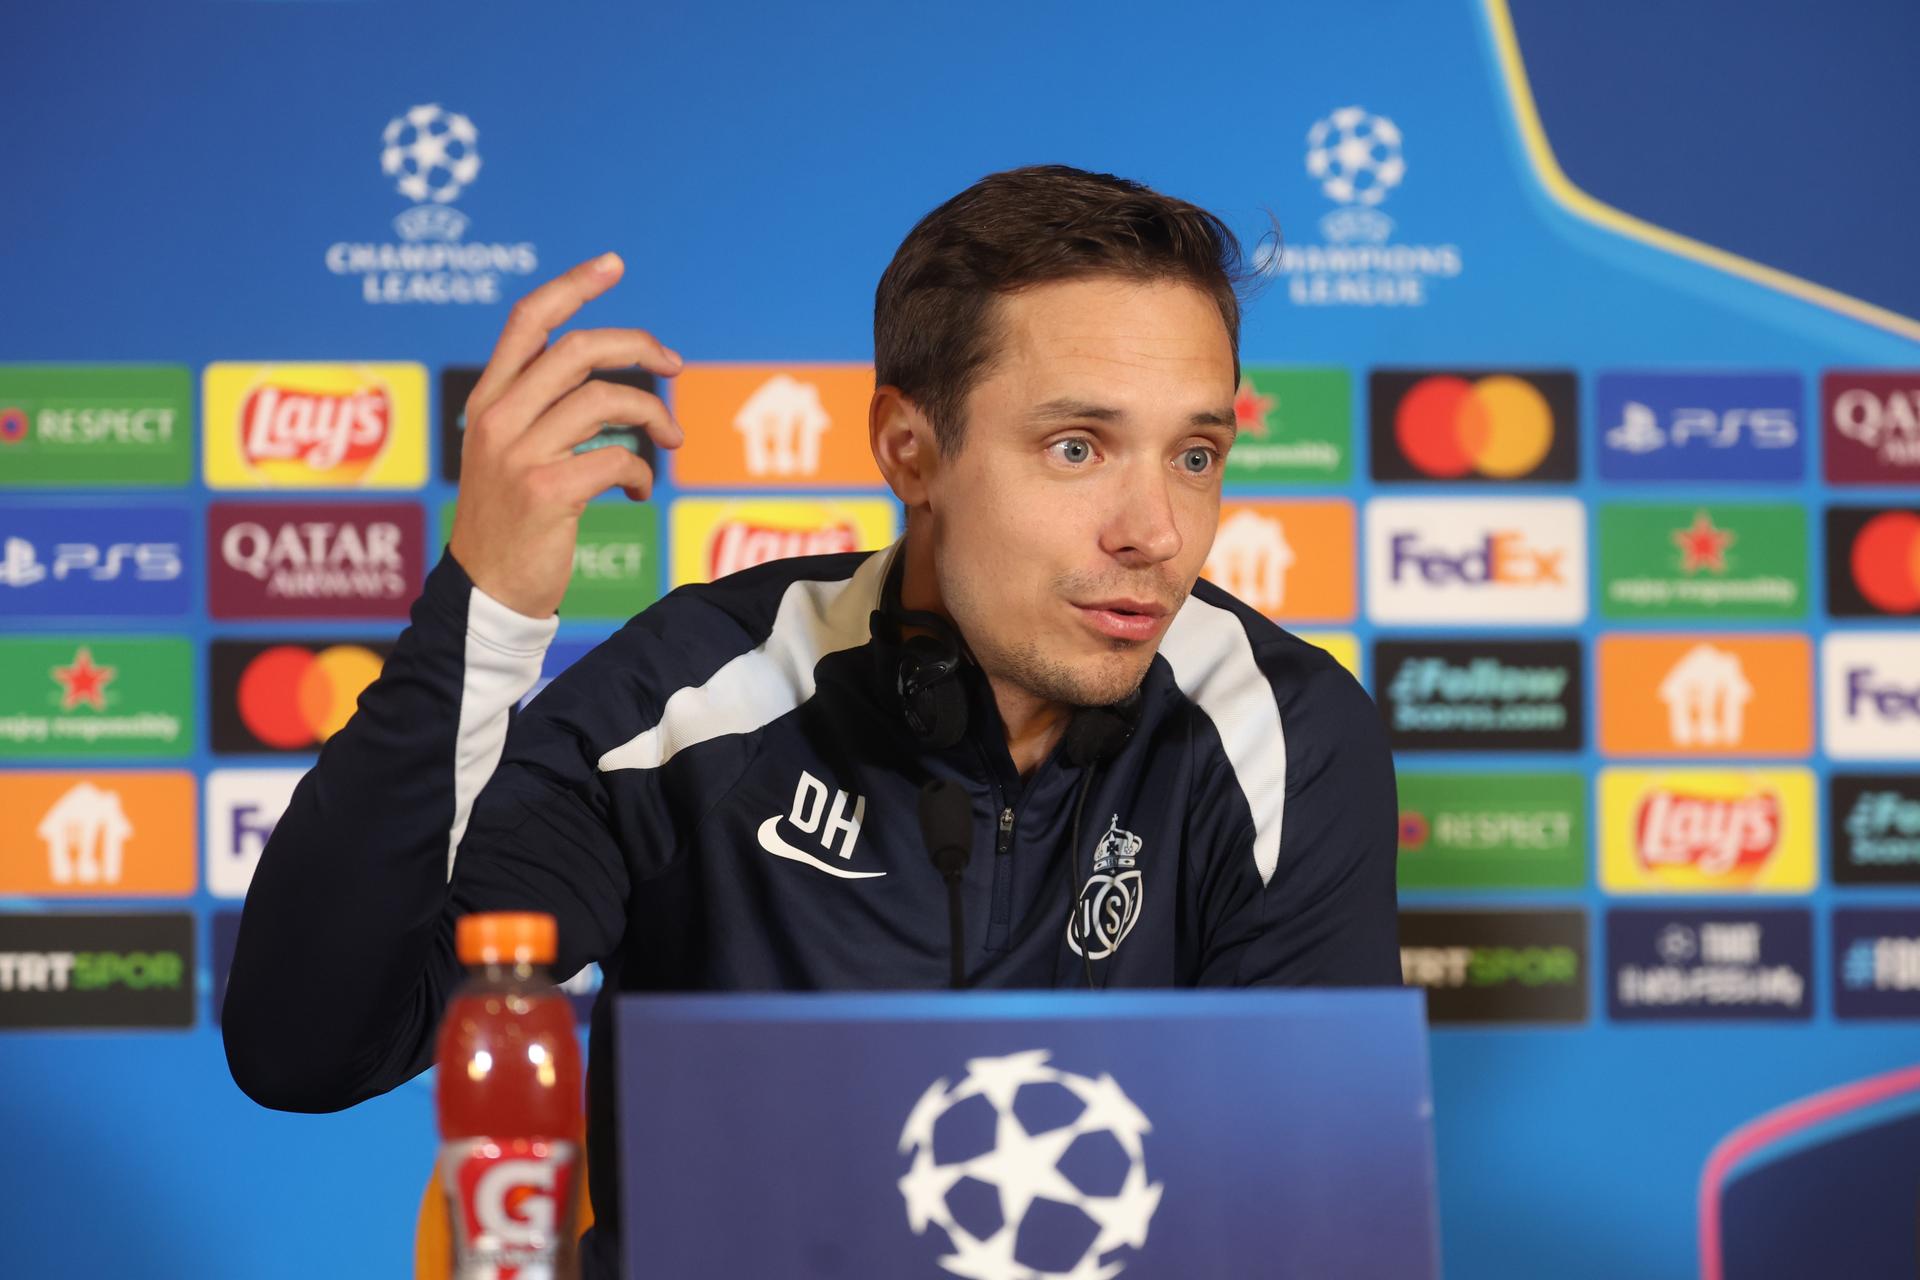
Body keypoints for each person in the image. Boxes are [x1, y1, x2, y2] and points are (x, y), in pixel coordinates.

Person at [221, 164, 1401, 1274]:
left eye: (1197, 453)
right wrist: (484, 616)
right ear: (909, 448)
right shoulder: (695, 696)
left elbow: (1294, 1226)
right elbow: (308, 1047)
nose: (1153, 528)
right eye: (1077, 446)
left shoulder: (1281, 732)